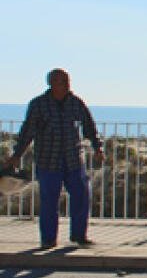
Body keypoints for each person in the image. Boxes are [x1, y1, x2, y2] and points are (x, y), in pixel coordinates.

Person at [5, 68, 104, 249]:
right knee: (49, 200)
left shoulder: (75, 102)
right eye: (62, 81)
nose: (67, 85)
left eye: (67, 81)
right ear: (52, 84)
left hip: (74, 159)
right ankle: (49, 239)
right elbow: (27, 132)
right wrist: (17, 155)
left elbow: (89, 126)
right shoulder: (38, 105)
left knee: (81, 195)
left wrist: (98, 147)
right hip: (48, 161)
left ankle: (79, 235)